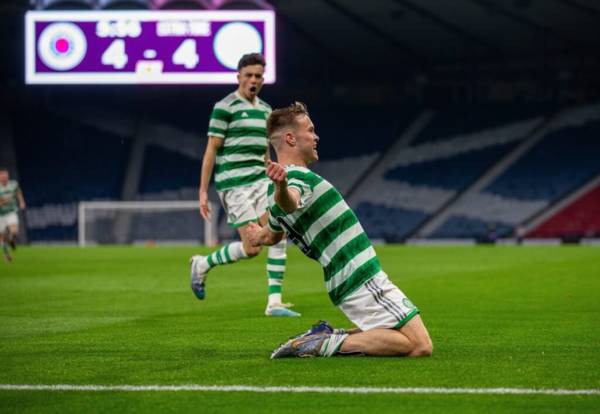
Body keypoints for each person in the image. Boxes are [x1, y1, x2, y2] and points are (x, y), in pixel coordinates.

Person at [246, 102, 433, 358]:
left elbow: (271, 234)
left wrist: (257, 235)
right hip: (358, 275)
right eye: (310, 130)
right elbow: (290, 201)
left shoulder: (277, 190)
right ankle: (323, 344)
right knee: (419, 346)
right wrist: (281, 187)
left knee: (408, 339)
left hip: (349, 277)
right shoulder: (296, 178)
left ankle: (323, 338)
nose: (316, 136)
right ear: (290, 138)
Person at [190, 53, 299, 317]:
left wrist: (273, 172)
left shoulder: (265, 111)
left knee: (278, 228)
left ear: (263, 79)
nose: (253, 80)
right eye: (248, 75)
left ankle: (274, 302)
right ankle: (203, 264)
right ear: (238, 76)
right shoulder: (224, 107)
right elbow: (211, 150)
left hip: (260, 181)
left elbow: (264, 152)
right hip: (234, 183)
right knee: (252, 248)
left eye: (258, 76)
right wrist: (203, 191)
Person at [0, 168, 26, 262]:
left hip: (11, 211)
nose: (4, 178)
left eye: (6, 176)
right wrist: (5, 201)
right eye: (2, 176)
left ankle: (11, 240)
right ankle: (6, 255)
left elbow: (18, 192)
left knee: (14, 231)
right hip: (1, 215)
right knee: (2, 236)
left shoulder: (13, 184)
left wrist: (22, 202)